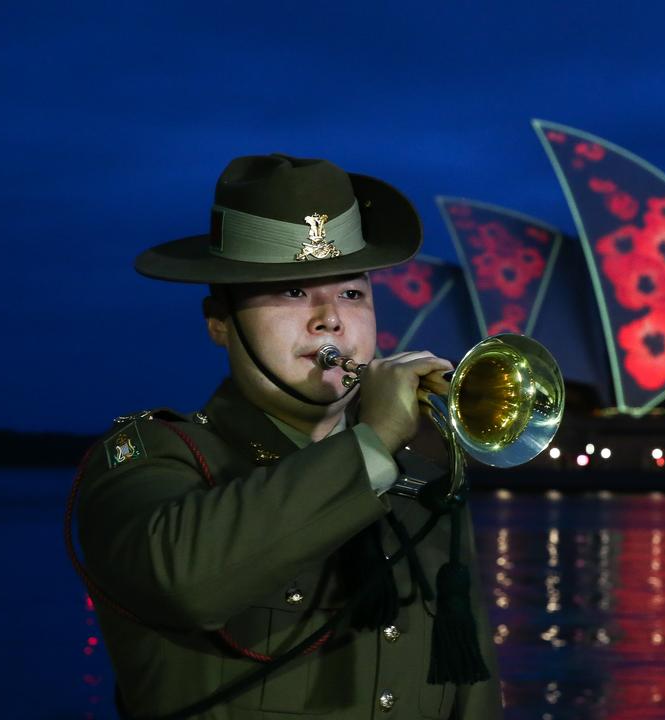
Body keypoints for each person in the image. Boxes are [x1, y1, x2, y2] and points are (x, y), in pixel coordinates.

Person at [70, 154, 503, 719]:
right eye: (294, 292)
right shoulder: (149, 460)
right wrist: (372, 443)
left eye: (352, 294)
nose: (330, 319)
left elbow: (470, 687)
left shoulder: (425, 485)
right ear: (219, 322)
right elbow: (185, 583)